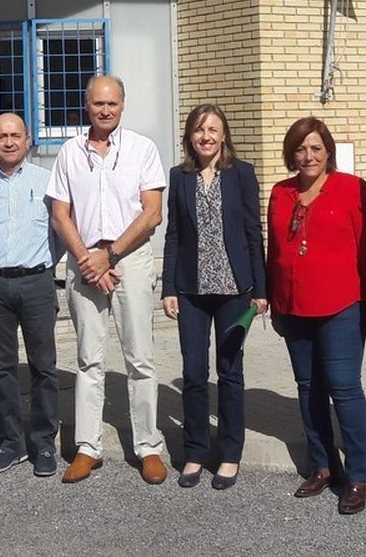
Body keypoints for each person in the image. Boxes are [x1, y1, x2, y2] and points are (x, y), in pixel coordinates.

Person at [47, 75, 168, 485]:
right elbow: (60, 213)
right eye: (98, 103)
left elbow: (152, 213)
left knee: (140, 357)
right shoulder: (68, 152)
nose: (105, 110)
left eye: (112, 103)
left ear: (123, 105)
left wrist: (109, 255)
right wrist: (86, 259)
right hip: (83, 262)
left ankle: (148, 446)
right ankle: (87, 447)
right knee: (88, 359)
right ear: (86, 105)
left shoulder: (142, 149)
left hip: (128, 260)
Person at [266, 116, 366, 515]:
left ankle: (358, 473)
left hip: (341, 306)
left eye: (315, 147)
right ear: (290, 154)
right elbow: (274, 253)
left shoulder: (351, 189)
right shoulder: (281, 194)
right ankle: (322, 464)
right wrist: (275, 303)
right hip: (294, 308)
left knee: (344, 389)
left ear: (328, 150)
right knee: (308, 387)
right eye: (300, 148)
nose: (308, 156)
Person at [161, 104, 266, 490]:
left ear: (224, 135)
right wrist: (169, 287)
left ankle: (230, 453)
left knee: (230, 372)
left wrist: (261, 289)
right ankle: (194, 452)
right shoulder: (180, 176)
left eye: (214, 130)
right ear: (190, 136)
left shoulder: (242, 174)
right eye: (199, 130)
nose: (206, 136)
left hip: (234, 292)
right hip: (191, 291)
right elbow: (174, 235)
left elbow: (254, 233)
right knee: (193, 373)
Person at [0, 113, 60, 478]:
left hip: (36, 282)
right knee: (3, 368)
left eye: (15, 135)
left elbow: (60, 234)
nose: (8, 142)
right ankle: (11, 444)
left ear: (28, 138)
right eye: (1, 136)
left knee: (43, 367)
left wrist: (43, 265)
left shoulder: (47, 183)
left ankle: (44, 443)